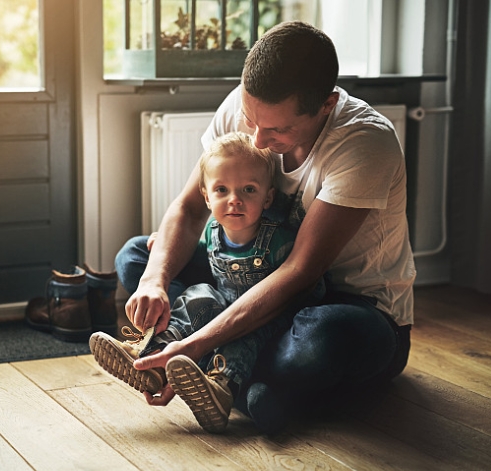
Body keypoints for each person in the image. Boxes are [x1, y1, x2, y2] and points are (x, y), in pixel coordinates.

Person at [114, 21, 415, 434]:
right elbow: (189, 208)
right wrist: (154, 281)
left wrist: (198, 342)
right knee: (137, 256)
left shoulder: (365, 142)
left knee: (321, 339)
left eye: (277, 129)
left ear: (327, 104)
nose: (256, 138)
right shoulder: (245, 105)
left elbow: (299, 272)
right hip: (243, 278)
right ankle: (241, 380)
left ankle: (205, 363)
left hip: (343, 306)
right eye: (251, 118)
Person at [90, 131, 324, 433]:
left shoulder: (279, 238)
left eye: (249, 190)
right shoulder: (213, 230)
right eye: (222, 190)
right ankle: (153, 357)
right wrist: (164, 244)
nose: (234, 200)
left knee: (244, 338)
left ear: (268, 197)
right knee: (199, 294)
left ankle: (220, 386)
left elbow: (304, 285)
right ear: (206, 196)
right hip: (222, 304)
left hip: (264, 316)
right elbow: (204, 254)